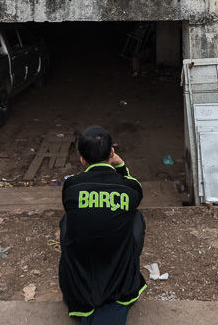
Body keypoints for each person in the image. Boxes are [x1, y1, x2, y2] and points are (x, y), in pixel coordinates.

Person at [59, 125, 146, 324]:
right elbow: (134, 186)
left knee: (67, 221)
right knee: (136, 217)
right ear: (112, 152)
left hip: (80, 284)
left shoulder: (71, 186)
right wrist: (121, 164)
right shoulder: (130, 188)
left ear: (82, 158)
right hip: (119, 280)